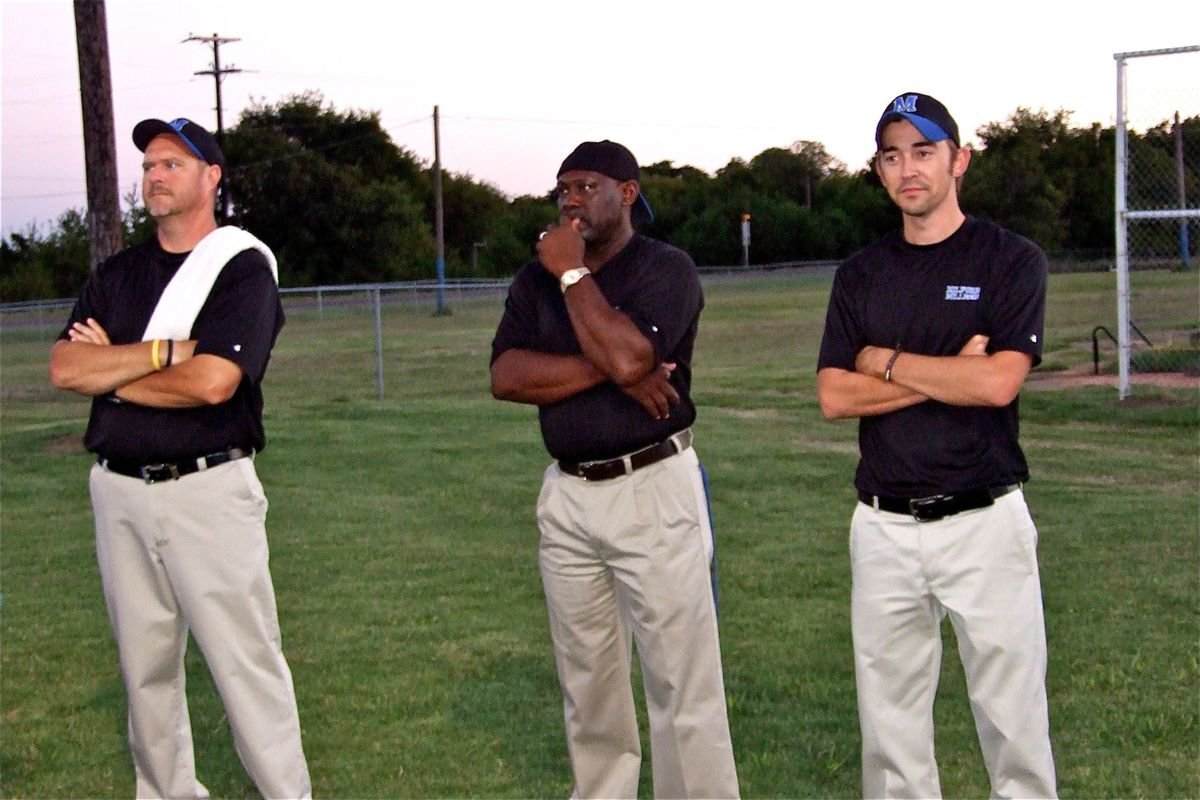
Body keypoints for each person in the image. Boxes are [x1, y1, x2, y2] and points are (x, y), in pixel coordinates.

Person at [49, 117, 311, 799]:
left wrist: (112, 374)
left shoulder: (241, 268)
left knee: (246, 665)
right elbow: (66, 368)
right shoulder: (118, 273)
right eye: (149, 166)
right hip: (120, 494)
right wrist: (166, 353)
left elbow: (215, 383)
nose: (154, 176)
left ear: (211, 178)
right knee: (145, 669)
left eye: (171, 163)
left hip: (208, 492)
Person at [815, 92, 1058, 799]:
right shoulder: (860, 273)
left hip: (984, 519)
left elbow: (997, 384)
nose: (907, 169)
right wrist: (945, 370)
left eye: (924, 151)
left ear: (959, 159)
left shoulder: (1010, 259)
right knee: (890, 733)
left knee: (1013, 721)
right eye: (892, 156)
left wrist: (883, 363)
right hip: (884, 525)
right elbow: (833, 396)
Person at [490, 140, 739, 799]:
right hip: (568, 495)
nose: (570, 198)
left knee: (681, 681)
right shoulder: (531, 278)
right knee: (587, 681)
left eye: (586, 185)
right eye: (562, 187)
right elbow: (507, 377)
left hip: (652, 486)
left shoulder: (666, 268)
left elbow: (637, 360)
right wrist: (612, 368)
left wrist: (575, 277)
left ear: (627, 193)